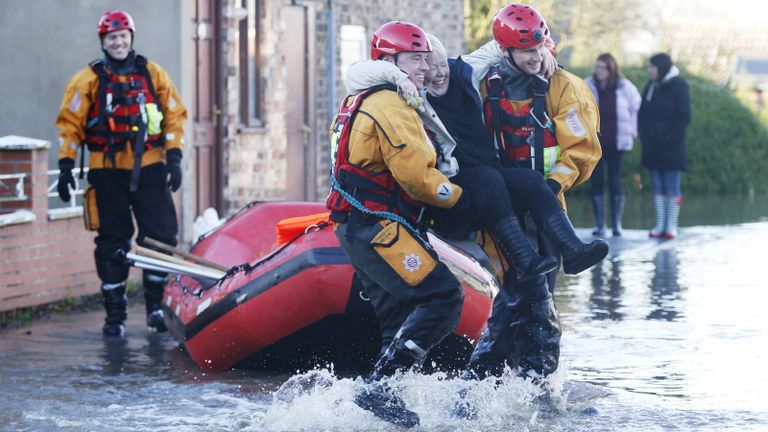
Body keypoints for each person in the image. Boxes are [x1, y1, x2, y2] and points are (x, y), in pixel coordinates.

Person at [344, 32, 608, 376]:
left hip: (504, 197)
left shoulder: (464, 71)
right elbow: (357, 75)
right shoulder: (407, 94)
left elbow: (500, 46)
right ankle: (501, 375)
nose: (434, 72)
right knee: (496, 281)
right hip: (460, 195)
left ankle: (571, 252)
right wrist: (398, 77)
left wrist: (543, 53)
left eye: (437, 64)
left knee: (525, 191)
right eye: (424, 64)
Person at [326, 21, 468, 428]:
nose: (423, 67)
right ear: (389, 61)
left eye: (425, 58)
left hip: (360, 227)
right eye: (414, 59)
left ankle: (384, 406)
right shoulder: (390, 103)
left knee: (396, 316)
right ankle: (379, 387)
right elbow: (416, 177)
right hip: (380, 229)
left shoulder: (359, 97)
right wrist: (458, 198)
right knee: (442, 297)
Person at [55, 10, 187, 337]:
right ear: (103, 42)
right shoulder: (87, 80)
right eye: (112, 37)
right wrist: (65, 166)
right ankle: (115, 314)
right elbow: (69, 126)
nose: (118, 42)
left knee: (161, 236)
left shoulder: (152, 74)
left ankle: (155, 307)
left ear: (131, 38)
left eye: (123, 36)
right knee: (112, 241)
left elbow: (174, 115)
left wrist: (174, 157)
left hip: (150, 167)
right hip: (107, 170)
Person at [585, 53, 641, 237]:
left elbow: (636, 108)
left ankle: (617, 224)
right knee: (597, 180)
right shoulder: (588, 85)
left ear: (611, 69)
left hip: (617, 140)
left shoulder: (625, 87)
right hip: (595, 141)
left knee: (615, 180)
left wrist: (634, 129)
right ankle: (600, 224)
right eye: (597, 66)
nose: (599, 70)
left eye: (603, 67)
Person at [638, 53, 691, 239]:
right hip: (652, 146)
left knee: (671, 186)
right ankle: (660, 225)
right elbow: (642, 112)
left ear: (661, 68)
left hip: (672, 147)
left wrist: (668, 137)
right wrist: (642, 131)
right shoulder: (650, 86)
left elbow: (684, 116)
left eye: (653, 67)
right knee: (657, 186)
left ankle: (671, 226)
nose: (650, 70)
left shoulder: (679, 85)